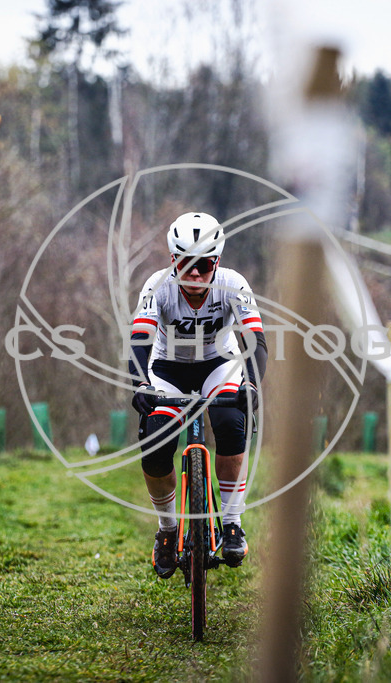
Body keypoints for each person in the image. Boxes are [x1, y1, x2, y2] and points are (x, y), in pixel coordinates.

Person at [129, 212, 269, 578]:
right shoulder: (157, 286)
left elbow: (255, 341)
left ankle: (232, 521)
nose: (194, 274)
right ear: (173, 260)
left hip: (217, 364)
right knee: (155, 438)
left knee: (230, 420)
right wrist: (140, 385)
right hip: (167, 369)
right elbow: (140, 342)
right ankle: (168, 529)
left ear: (217, 261)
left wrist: (252, 386)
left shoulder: (233, 284)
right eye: (186, 264)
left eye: (204, 265)